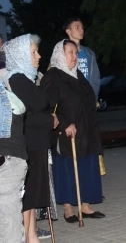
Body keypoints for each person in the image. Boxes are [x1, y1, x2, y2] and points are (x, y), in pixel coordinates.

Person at [41, 40, 105, 221]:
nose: (74, 57)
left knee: (86, 166)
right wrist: (62, 124)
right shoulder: (53, 77)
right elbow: (47, 107)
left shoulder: (77, 75)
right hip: (67, 133)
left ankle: (85, 205)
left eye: (76, 53)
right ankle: (68, 208)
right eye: (70, 52)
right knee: (67, 169)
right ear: (60, 55)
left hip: (86, 132)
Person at [3, 34, 59, 243]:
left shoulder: (28, 77)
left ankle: (32, 233)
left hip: (38, 143)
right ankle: (29, 236)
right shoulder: (17, 79)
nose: (38, 56)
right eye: (33, 52)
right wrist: (49, 121)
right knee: (29, 192)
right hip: (30, 142)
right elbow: (26, 114)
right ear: (21, 55)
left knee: (35, 191)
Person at [0, 72, 27, 242]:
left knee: (10, 224)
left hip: (11, 159)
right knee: (9, 226)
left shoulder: (5, 85)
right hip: (8, 161)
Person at [62, 18, 100, 101]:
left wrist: (93, 99)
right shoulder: (61, 52)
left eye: (82, 27)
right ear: (68, 31)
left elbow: (95, 80)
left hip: (86, 100)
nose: (81, 30)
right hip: (69, 102)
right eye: (77, 27)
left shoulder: (90, 54)